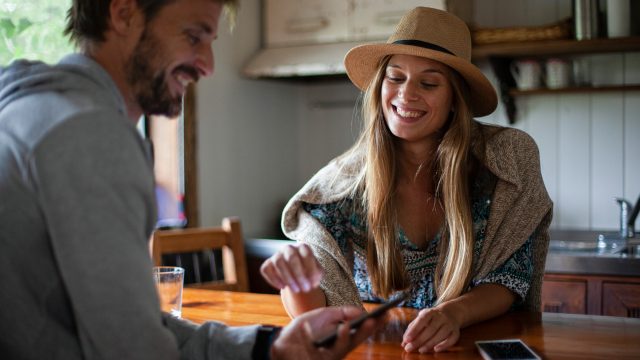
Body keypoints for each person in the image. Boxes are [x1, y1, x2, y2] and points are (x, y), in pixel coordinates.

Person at [0, 0, 382, 359]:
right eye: (193, 37)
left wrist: (268, 347)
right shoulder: (90, 134)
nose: (209, 65)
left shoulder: (30, 109)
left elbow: (137, 327)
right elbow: (136, 349)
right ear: (123, 13)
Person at [260, 6, 553, 355]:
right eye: (395, 78)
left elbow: (510, 277)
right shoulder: (343, 186)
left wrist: (453, 314)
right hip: (379, 350)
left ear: (455, 100)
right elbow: (316, 305)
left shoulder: (502, 166)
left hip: (466, 346)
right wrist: (296, 281)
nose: (406, 94)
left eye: (428, 83)